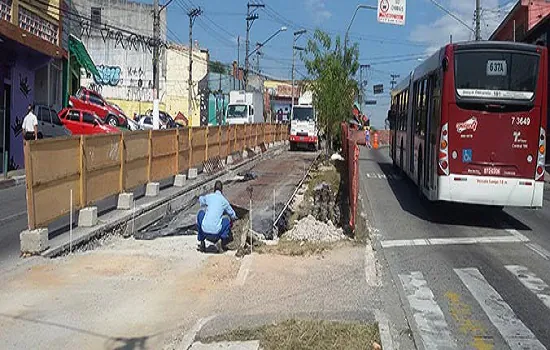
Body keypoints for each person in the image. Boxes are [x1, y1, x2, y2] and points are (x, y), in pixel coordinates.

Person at [197, 180, 238, 253]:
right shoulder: (224, 201)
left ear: (214, 189)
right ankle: (221, 241)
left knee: (200, 213)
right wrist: (235, 218)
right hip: (216, 233)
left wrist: (200, 197)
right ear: (222, 190)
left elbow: (201, 200)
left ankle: (202, 242)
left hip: (204, 231)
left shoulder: (209, 197)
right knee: (227, 220)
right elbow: (232, 214)